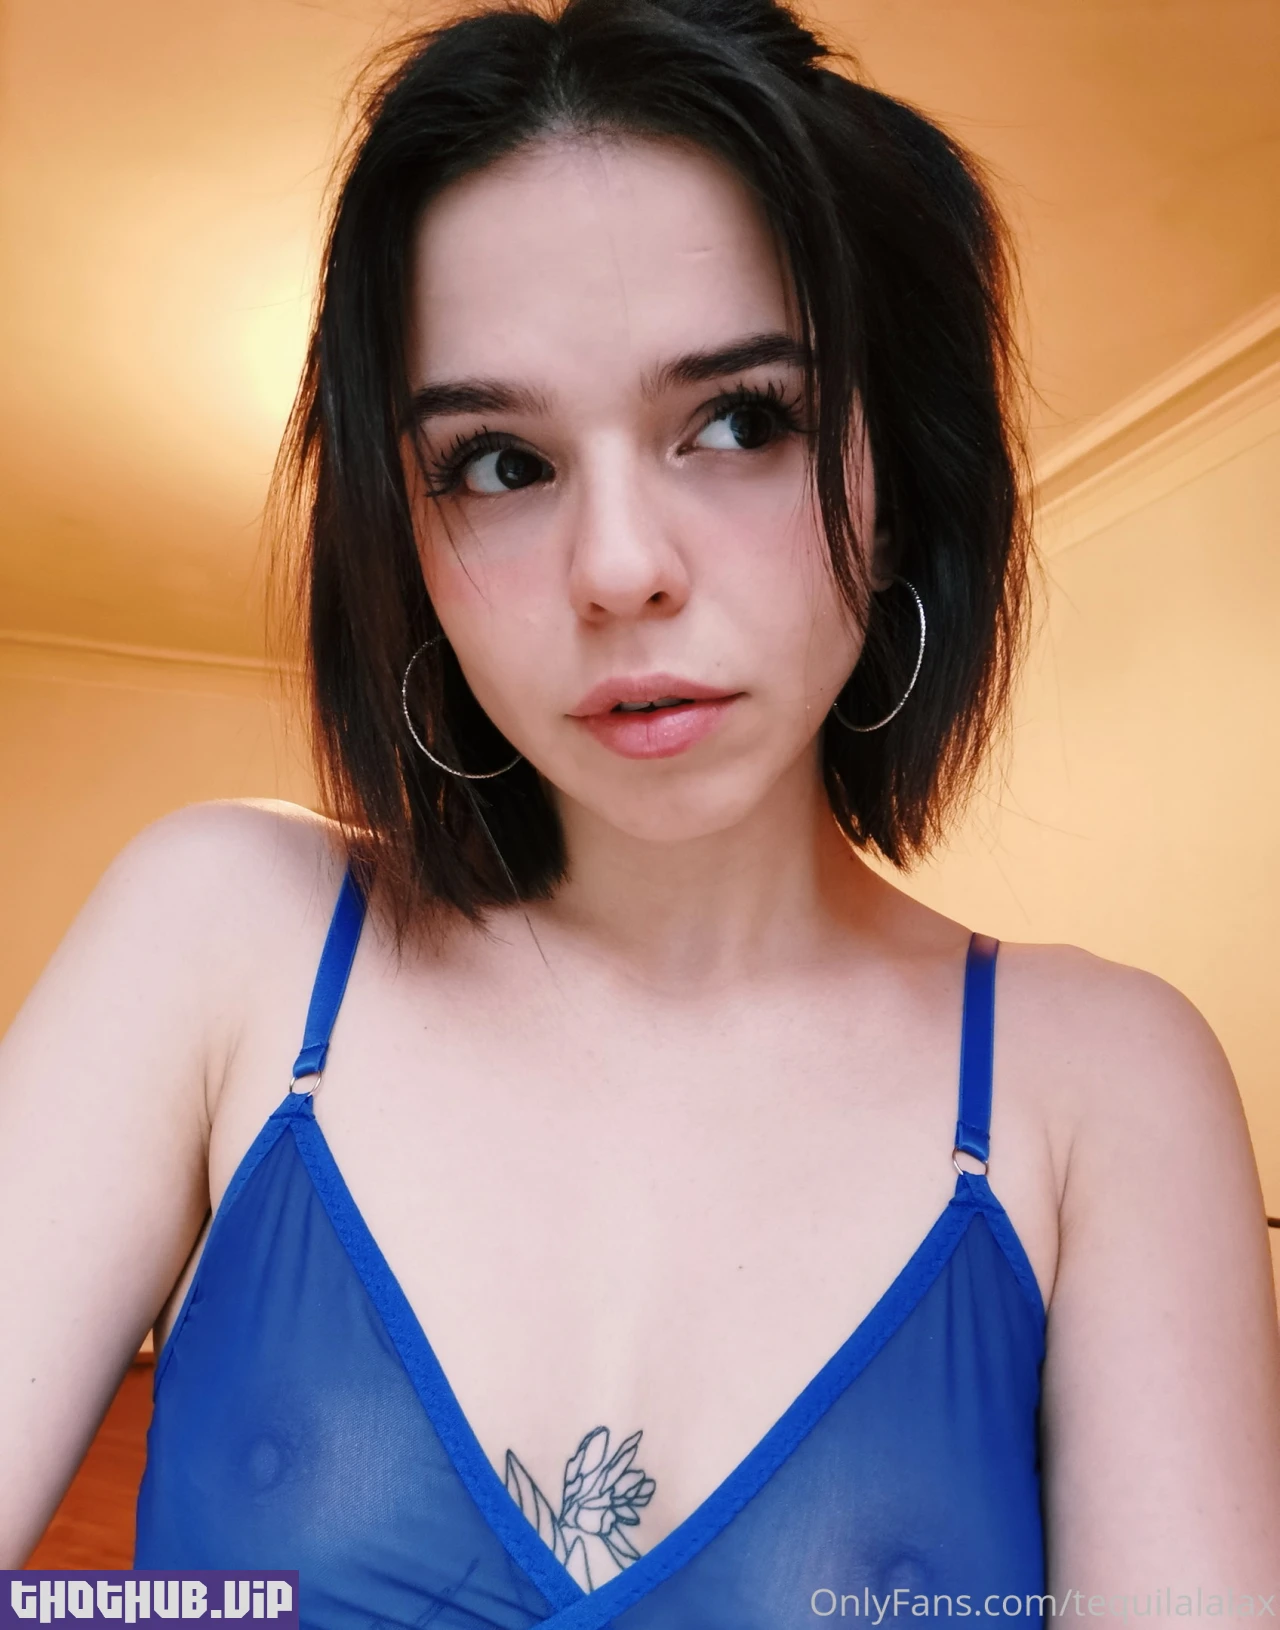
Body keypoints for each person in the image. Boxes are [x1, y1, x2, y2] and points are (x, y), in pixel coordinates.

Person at [1, 0, 1278, 1621]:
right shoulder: (219, 932)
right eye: (497, 461)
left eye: (743, 421)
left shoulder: (1106, 1086)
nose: (616, 568)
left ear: (901, 477)